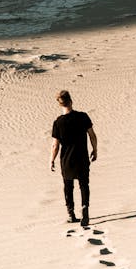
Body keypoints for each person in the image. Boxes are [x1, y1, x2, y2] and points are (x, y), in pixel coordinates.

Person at [50, 90, 97, 226]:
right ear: (71, 101)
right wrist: (95, 149)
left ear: (60, 104)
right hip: (82, 158)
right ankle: (85, 208)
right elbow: (92, 135)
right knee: (84, 184)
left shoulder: (58, 122)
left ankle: (71, 213)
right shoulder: (83, 117)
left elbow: (55, 145)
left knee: (68, 186)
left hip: (66, 161)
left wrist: (51, 160)